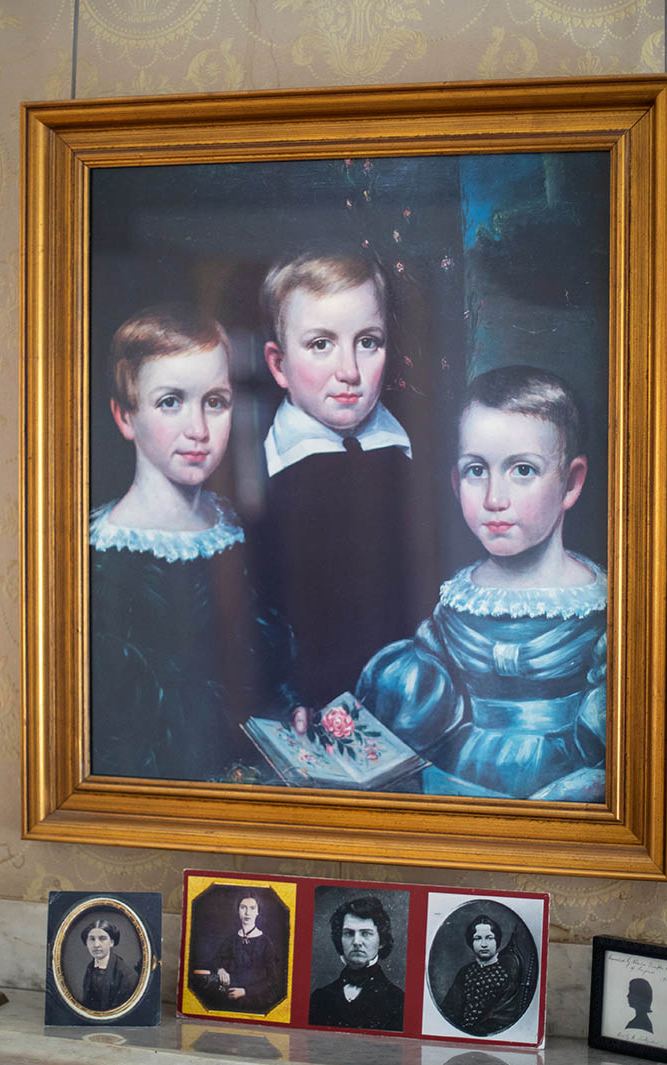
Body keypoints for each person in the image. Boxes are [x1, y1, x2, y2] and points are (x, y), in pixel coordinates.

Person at [357, 365, 607, 802]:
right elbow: (415, 728)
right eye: (476, 470)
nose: (494, 498)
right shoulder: (455, 603)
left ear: (571, 482)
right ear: (456, 482)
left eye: (523, 470)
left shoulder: (601, 610)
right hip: (460, 791)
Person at [89, 304, 299, 783]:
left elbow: (266, 675)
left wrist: (290, 714)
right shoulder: (102, 561)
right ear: (125, 416)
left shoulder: (237, 529)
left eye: (215, 401)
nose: (198, 430)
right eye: (170, 402)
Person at [248, 251, 442, 707]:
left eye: (368, 342)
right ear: (278, 365)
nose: (349, 372)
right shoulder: (254, 473)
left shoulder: (418, 459)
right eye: (321, 345)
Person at [308, 895, 404, 1032]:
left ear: (381, 941)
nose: (357, 942)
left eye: (366, 933)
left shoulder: (397, 1000)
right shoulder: (320, 997)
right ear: (339, 939)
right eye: (349, 933)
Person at [191, 889, 283, 1015]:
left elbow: (272, 980)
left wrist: (245, 991)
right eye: (243, 907)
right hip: (229, 996)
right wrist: (220, 969)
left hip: (255, 998)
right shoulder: (231, 939)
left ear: (257, 912)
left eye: (252, 908)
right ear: (238, 911)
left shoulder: (265, 942)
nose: (247, 913)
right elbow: (215, 960)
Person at [439, 914, 526, 1037]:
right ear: (471, 942)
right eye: (478, 938)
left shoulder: (507, 975)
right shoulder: (465, 972)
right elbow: (449, 1008)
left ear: (497, 940)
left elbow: (503, 1017)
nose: (484, 944)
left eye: (489, 938)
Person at [79, 918, 138, 1013]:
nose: (96, 944)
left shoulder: (127, 975)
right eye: (92, 939)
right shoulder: (90, 968)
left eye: (102, 939)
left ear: (111, 942)